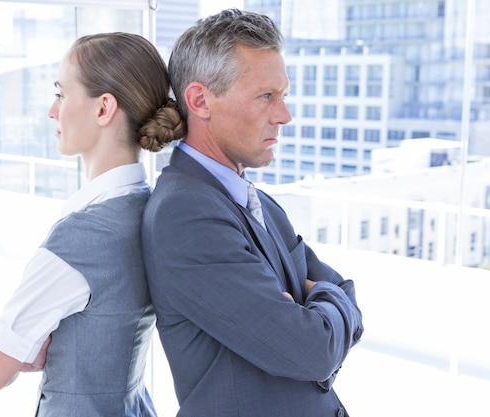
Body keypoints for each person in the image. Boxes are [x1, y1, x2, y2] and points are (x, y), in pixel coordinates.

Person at [141, 9, 364, 417]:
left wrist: (322, 300)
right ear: (200, 100)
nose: (284, 115)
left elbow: (343, 290)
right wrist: (321, 305)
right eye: (266, 96)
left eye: (284, 95)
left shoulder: (259, 201)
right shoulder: (184, 215)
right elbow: (312, 351)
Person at [0, 32, 184, 416]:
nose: (52, 110)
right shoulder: (151, 209)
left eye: (61, 93)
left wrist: (28, 354)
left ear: (103, 109)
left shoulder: (81, 239)